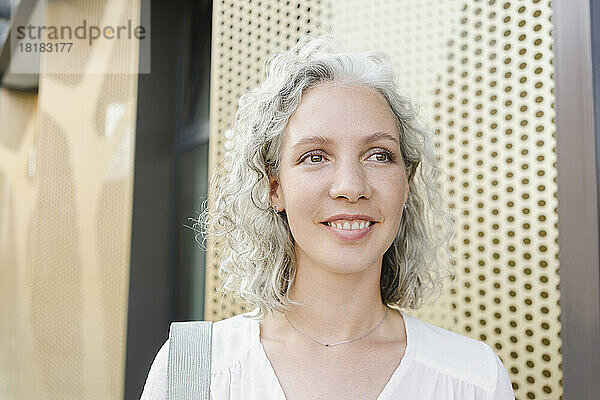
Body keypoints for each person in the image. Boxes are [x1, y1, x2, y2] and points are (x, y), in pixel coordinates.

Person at [140, 34, 515, 400]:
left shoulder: (471, 378)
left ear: (406, 183)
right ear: (275, 188)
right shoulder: (191, 371)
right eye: (315, 156)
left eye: (379, 155)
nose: (351, 187)